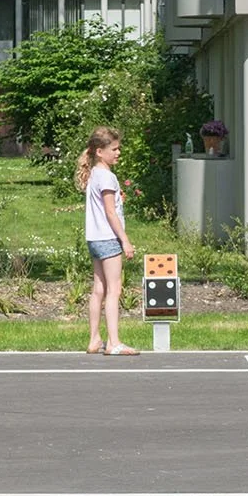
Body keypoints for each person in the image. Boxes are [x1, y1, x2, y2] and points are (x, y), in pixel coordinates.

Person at [80, 127, 138, 357]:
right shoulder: (106, 177)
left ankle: (94, 339)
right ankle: (113, 342)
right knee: (114, 290)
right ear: (100, 151)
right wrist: (125, 241)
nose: (118, 153)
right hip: (108, 238)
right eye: (114, 149)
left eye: (118, 148)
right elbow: (110, 212)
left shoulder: (94, 173)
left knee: (99, 290)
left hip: (94, 238)